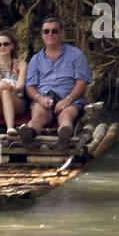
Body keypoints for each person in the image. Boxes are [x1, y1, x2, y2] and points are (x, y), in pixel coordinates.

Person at [19, 17, 92, 150]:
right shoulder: (35, 59)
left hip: (69, 99)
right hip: (44, 99)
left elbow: (82, 83)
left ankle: (63, 139)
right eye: (46, 31)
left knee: (66, 115)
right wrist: (40, 99)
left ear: (61, 33)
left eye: (54, 31)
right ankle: (28, 135)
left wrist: (67, 100)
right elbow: (30, 86)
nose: (50, 34)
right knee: (38, 115)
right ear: (42, 35)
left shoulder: (76, 55)